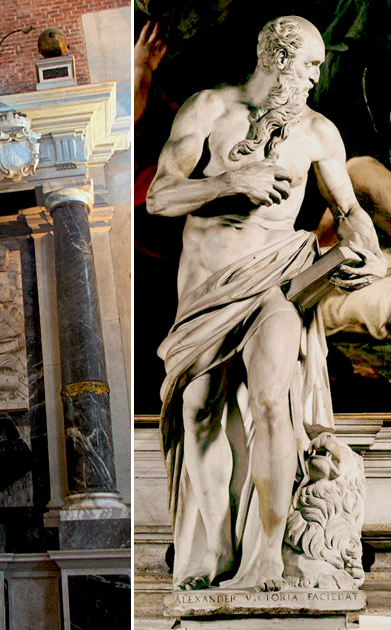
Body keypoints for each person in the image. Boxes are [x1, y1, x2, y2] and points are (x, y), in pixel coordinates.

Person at [146, 16, 386, 592]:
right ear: (279, 58)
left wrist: (365, 246)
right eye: (309, 63)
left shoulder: (320, 133)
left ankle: (269, 557)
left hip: (277, 285)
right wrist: (231, 183)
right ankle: (219, 546)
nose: (315, 74)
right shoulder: (209, 109)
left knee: (274, 400)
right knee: (200, 409)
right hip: (206, 294)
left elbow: (350, 208)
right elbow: (159, 196)